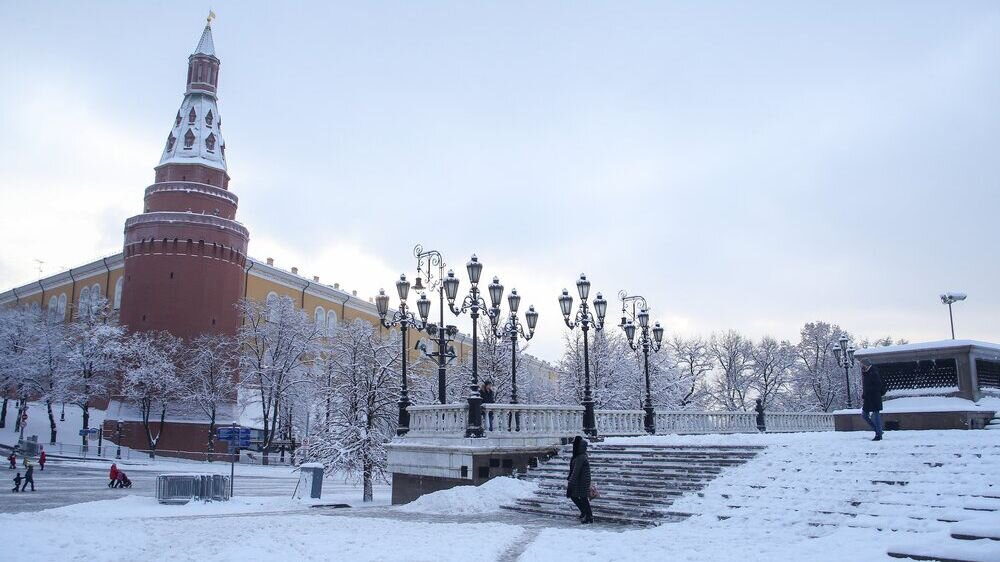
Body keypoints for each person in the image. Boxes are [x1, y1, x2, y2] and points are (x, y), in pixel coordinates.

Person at [567, 435, 593, 524]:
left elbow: (576, 472)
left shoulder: (580, 457)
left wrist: (570, 483)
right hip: (580, 480)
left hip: (582, 481)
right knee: (576, 496)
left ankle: (589, 516)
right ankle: (585, 513)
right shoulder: (578, 456)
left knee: (582, 498)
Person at [861, 359, 888, 441]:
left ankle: (878, 435)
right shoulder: (866, 372)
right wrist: (864, 394)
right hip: (868, 398)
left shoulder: (874, 372)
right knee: (864, 415)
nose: (861, 366)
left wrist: (868, 391)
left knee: (876, 416)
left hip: (874, 397)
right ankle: (878, 430)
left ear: (866, 364)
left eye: (862, 364)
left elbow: (878, 385)